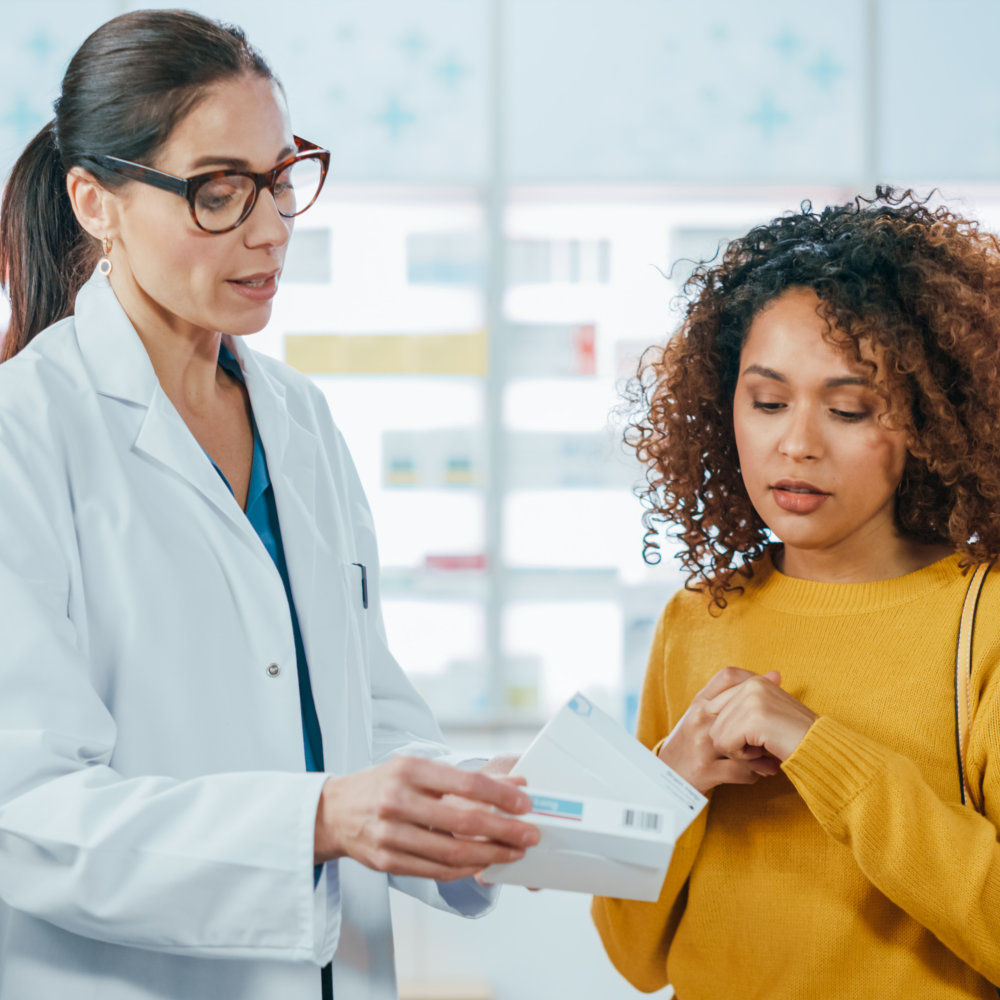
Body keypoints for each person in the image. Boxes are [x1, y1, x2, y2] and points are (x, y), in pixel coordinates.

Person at [0, 10, 539, 1000]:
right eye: (217, 192)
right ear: (95, 201)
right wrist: (319, 819)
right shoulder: (22, 436)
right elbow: (25, 813)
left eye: (281, 180)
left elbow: (360, 711)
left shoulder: (299, 419)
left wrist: (469, 793)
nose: (268, 229)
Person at [592, 189, 1000, 998]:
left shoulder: (982, 619)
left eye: (850, 408)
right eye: (768, 401)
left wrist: (822, 752)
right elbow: (635, 955)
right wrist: (672, 780)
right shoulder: (695, 620)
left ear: (928, 418)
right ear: (725, 407)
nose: (798, 443)